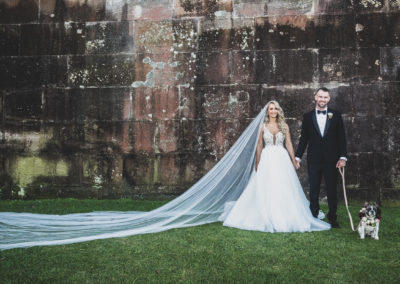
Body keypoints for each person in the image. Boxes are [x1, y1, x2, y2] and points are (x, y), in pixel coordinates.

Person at [220, 100, 331, 232]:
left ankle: (284, 213)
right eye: (271, 109)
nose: (273, 111)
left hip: (281, 158)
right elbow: (259, 145)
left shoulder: (284, 126)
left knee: (282, 185)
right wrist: (257, 162)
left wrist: (294, 160)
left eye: (275, 109)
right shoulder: (263, 126)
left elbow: (288, 143)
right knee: (266, 185)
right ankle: (264, 212)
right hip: (267, 158)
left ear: (278, 111)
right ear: (267, 111)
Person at [295, 87, 347, 228]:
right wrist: (297, 157)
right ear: (315, 97)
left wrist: (343, 157)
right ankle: (313, 215)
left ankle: (333, 217)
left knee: (331, 189)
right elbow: (304, 139)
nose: (322, 99)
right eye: (320, 96)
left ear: (329, 99)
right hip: (314, 159)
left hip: (332, 160)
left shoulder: (336, 115)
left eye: (325, 97)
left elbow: (341, 137)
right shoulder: (308, 116)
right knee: (314, 189)